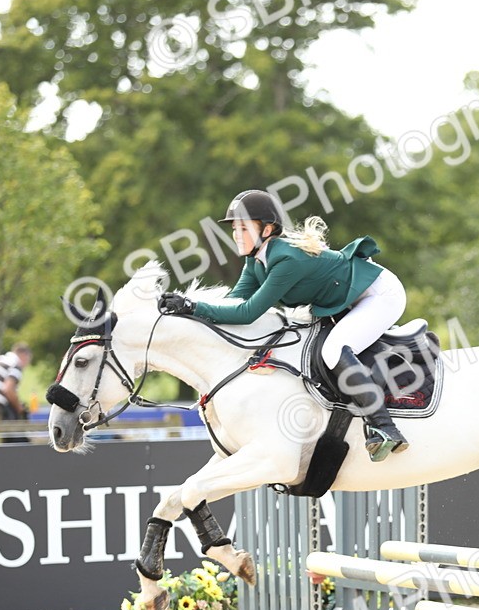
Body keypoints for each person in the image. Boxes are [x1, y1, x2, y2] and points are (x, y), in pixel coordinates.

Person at [158, 189, 410, 461]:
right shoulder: (255, 262)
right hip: (349, 299)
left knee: (334, 349)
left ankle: (385, 427)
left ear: (267, 229)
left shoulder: (285, 259)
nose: (236, 235)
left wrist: (193, 307)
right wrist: (188, 310)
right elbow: (233, 302)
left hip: (379, 295)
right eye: (234, 228)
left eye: (244, 228)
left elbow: (248, 313)